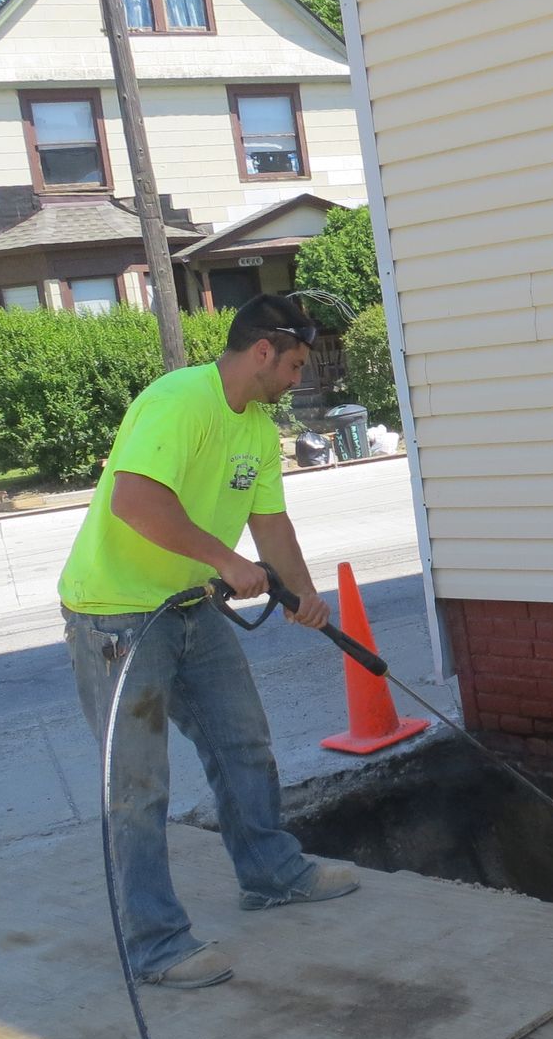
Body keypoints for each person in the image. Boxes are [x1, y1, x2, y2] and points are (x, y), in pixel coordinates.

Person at [59, 293, 358, 989]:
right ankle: (157, 944)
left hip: (191, 607)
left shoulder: (256, 427)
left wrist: (304, 595)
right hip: (119, 618)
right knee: (137, 788)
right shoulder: (180, 401)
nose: (297, 380)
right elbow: (133, 499)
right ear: (262, 351)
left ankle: (271, 871)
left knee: (243, 742)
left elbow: (270, 525)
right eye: (294, 364)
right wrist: (224, 560)